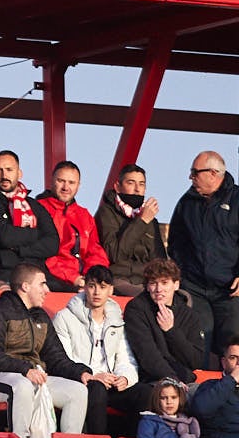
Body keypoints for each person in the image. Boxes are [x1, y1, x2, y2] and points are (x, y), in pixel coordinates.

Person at [0, 262, 91, 438]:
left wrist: (81, 372)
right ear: (25, 286)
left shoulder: (41, 317)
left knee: (77, 391)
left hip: (34, 377)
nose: (47, 290)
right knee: (23, 385)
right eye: (42, 284)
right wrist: (24, 369)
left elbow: (56, 358)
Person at [51, 265, 142, 435]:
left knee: (145, 393)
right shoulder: (64, 317)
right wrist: (93, 375)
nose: (96, 292)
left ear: (111, 290)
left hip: (110, 382)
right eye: (92, 286)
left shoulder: (117, 320)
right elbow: (64, 359)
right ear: (84, 287)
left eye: (102, 287)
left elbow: (125, 358)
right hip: (83, 381)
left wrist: (124, 378)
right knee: (97, 389)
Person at [167, 150, 239, 359]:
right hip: (195, 288)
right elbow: (176, 243)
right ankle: (198, 389)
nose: (191, 177)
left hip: (229, 291)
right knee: (198, 341)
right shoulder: (186, 202)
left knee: (233, 344)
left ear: (214, 174)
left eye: (195, 172)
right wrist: (184, 274)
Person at [0, 150, 59, 289]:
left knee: (74, 294)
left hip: (37, 272)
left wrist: (21, 250)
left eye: (9, 170)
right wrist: (35, 233)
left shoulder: (34, 205)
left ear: (19, 173)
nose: (4, 176)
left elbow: (53, 243)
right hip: (1, 271)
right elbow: (4, 236)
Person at [122, 258, 204, 386]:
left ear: (176, 285)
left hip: (185, 379)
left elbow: (196, 361)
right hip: (150, 380)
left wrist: (171, 331)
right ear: (147, 287)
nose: (159, 289)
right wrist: (173, 381)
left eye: (164, 283)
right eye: (153, 283)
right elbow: (147, 356)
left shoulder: (189, 315)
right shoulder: (136, 309)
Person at [36, 160, 110, 292]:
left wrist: (94, 277)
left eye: (71, 182)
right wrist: (73, 278)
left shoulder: (84, 215)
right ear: (52, 180)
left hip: (83, 279)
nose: (66, 187)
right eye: (61, 181)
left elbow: (95, 252)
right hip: (52, 276)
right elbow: (43, 253)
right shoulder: (39, 208)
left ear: (78, 185)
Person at [95, 163, 164, 297]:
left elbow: (160, 261)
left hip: (147, 282)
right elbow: (114, 254)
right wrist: (141, 222)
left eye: (142, 184)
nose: (137, 189)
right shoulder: (106, 213)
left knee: (184, 299)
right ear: (117, 186)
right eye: (131, 183)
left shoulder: (150, 220)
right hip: (119, 279)